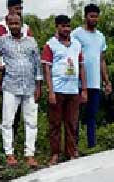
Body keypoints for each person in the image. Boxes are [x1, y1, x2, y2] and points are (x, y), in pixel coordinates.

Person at [0, 13, 42, 167]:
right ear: (7, 25)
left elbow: (38, 65)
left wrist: (38, 87)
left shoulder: (31, 42)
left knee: (31, 122)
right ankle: (9, 153)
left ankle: (29, 154)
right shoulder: (2, 41)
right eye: (11, 24)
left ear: (21, 24)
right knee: (7, 121)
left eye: (16, 23)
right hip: (10, 86)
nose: (14, 26)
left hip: (30, 87)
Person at [42, 15, 87, 165]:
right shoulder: (50, 45)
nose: (66, 29)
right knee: (55, 124)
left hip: (73, 90)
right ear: (57, 27)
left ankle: (71, 152)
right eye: (63, 26)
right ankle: (55, 154)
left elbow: (81, 66)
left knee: (72, 123)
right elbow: (47, 68)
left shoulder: (76, 45)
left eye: (68, 26)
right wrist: (51, 91)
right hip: (58, 90)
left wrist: (84, 89)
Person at [72, 4, 111, 149]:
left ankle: (92, 146)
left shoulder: (101, 36)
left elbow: (101, 60)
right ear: (85, 16)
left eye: (96, 16)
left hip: (95, 83)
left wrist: (107, 81)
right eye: (91, 16)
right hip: (78, 83)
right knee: (75, 117)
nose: (94, 19)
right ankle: (73, 148)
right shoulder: (76, 34)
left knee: (92, 117)